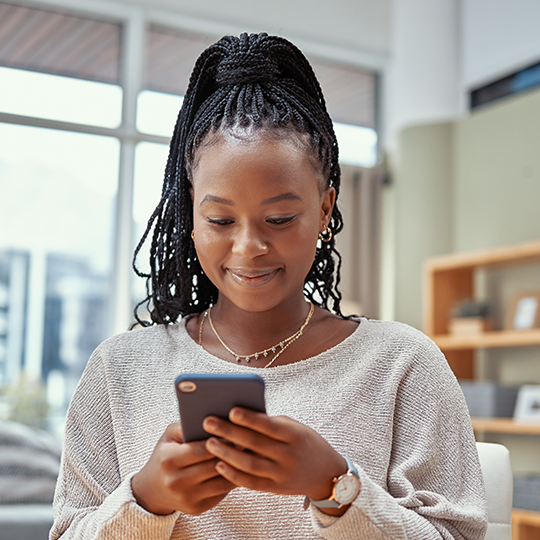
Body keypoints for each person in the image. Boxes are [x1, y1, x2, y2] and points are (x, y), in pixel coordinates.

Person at [50, 33, 487, 539]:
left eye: (279, 218)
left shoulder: (404, 365)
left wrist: (337, 487)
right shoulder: (119, 370)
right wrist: (146, 498)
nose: (248, 247)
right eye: (219, 220)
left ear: (325, 209)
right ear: (189, 215)